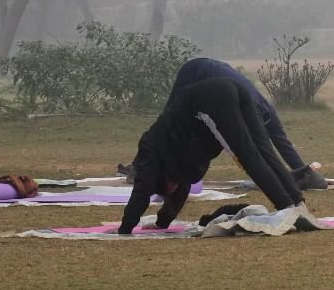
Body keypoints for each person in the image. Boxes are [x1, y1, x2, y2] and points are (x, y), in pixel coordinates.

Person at [118, 78, 306, 234]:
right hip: (231, 89)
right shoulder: (175, 164)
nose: (175, 188)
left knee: (248, 156)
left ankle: (288, 208)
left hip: (208, 102)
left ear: (160, 178)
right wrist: (162, 223)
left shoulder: (150, 151)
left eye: (169, 188)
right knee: (262, 149)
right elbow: (177, 196)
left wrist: (125, 228)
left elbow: (141, 190)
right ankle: (297, 204)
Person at [162, 57, 327, 190]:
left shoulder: (262, 113)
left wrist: (303, 171)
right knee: (171, 117)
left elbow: (277, 145)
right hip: (199, 72)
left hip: (217, 77)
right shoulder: (256, 112)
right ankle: (156, 161)